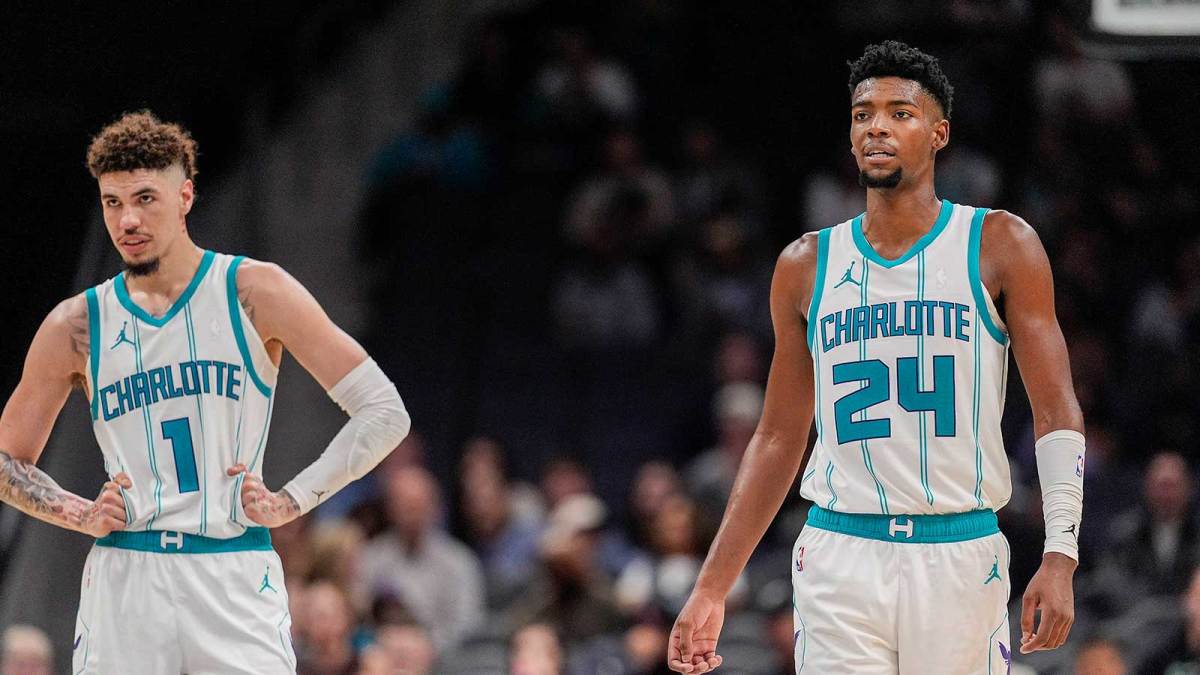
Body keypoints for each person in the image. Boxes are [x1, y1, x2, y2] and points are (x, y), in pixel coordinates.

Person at [669, 41, 1085, 674]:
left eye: (900, 113)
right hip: (841, 553)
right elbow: (780, 437)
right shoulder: (805, 266)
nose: (878, 127)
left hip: (959, 551)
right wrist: (711, 586)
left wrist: (1060, 552)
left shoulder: (1001, 245)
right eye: (864, 114)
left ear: (940, 133)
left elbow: (1056, 412)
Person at [0, 111, 411, 674]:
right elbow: (5, 461)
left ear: (186, 195)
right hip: (127, 578)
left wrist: (293, 500)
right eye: (112, 202)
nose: (128, 219)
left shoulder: (253, 291)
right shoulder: (75, 325)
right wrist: (79, 514)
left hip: (233, 569)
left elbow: (385, 412)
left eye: (145, 198)